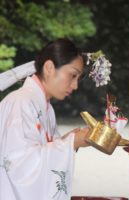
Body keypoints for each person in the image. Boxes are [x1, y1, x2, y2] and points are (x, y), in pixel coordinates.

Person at [0, 39, 95, 200]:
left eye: (78, 78)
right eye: (72, 75)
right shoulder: (20, 102)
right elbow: (18, 166)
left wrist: (68, 142)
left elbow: (41, 151)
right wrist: (71, 142)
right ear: (49, 67)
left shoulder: (45, 107)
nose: (75, 86)